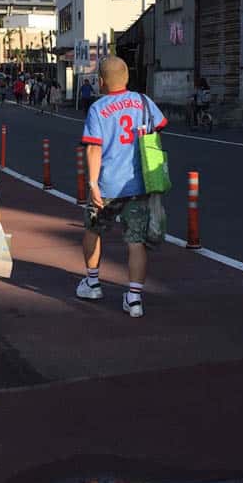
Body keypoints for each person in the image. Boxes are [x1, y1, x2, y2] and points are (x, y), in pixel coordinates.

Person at [76, 56, 167, 318]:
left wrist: (92, 183)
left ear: (101, 82)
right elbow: (159, 127)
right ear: (127, 77)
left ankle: (92, 283)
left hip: (106, 185)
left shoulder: (98, 108)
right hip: (139, 183)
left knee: (93, 230)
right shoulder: (143, 101)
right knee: (135, 241)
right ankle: (135, 298)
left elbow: (94, 148)